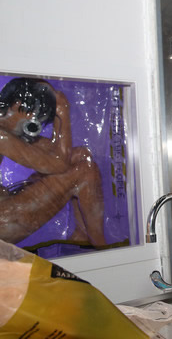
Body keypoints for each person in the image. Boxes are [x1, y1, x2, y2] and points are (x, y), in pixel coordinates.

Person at [0, 78, 107, 247]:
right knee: (85, 170)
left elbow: (57, 153)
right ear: (17, 104)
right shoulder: (2, 137)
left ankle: (82, 237)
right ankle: (101, 246)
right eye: (34, 116)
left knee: (81, 155)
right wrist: (62, 112)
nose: (33, 123)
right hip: (5, 221)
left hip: (6, 211)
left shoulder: (8, 131)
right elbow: (59, 163)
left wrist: (58, 117)